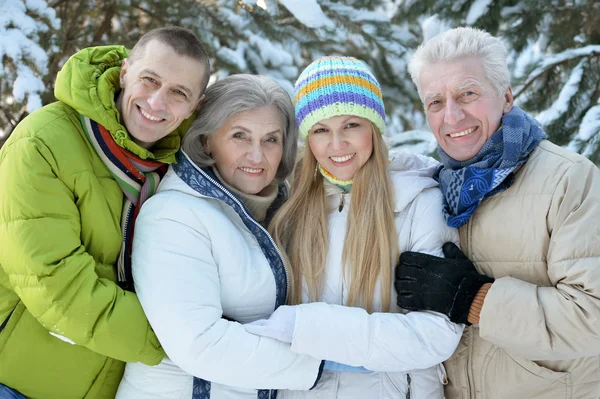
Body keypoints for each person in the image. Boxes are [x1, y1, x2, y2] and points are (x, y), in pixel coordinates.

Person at [0, 26, 210, 398]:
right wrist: (188, 341)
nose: (158, 102)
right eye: (150, 79)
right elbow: (58, 291)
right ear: (125, 71)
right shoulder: (44, 142)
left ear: (196, 105)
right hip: (14, 379)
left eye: (179, 93)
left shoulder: (179, 169)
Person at [395, 26, 600, 398]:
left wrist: (473, 300)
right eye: (435, 102)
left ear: (506, 97)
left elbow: (593, 317)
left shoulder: (568, 180)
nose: (452, 116)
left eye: (467, 93)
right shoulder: (432, 189)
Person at [245, 56, 463, 398]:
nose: (336, 145)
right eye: (321, 130)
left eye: (351, 125)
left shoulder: (419, 202)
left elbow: (436, 335)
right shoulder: (289, 211)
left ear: (373, 127)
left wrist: (310, 330)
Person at [116, 74, 326, 399]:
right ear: (206, 140)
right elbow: (200, 345)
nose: (257, 156)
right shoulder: (174, 215)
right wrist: (328, 360)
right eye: (240, 136)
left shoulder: (285, 212)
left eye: (271, 139)